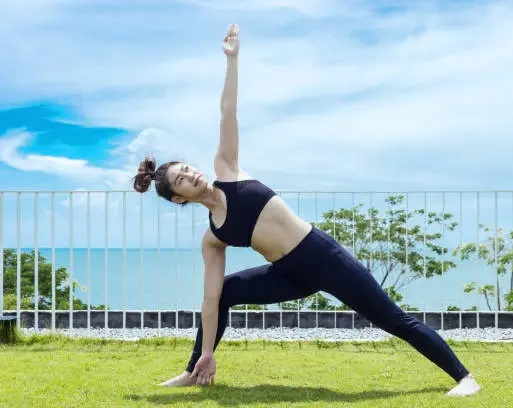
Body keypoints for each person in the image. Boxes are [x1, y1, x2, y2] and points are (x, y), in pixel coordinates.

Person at [132, 24, 481, 397]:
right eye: (183, 180)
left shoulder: (227, 169)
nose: (192, 174)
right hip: (288, 274)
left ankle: (465, 378)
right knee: (227, 291)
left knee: (389, 318)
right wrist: (206, 352)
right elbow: (209, 299)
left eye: (187, 168)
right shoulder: (213, 237)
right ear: (179, 199)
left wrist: (232, 61)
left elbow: (228, 110)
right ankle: (195, 369)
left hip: (322, 256)